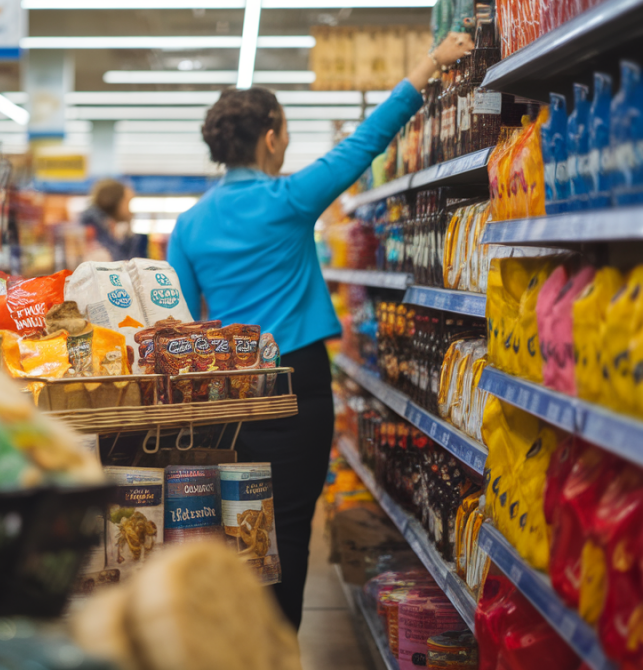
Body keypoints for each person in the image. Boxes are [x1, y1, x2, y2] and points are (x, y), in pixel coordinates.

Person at [166, 32, 472, 629]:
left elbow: (175, 318)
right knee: (287, 530)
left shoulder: (189, 223)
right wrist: (431, 64)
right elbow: (364, 144)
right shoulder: (288, 199)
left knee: (231, 530)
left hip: (222, 395)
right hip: (293, 388)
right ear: (272, 136)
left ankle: (230, 647)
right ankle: (279, 648)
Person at [81, 178, 148, 261]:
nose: (130, 212)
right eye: (127, 202)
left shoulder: (107, 228)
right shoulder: (91, 232)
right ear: (115, 201)